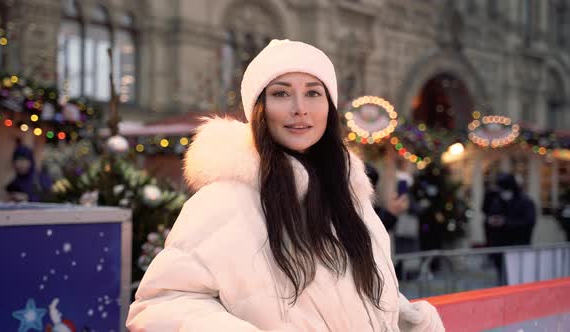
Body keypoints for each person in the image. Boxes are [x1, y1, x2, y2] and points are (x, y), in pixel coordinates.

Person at [127, 39, 444, 331]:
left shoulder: (350, 198)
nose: (300, 108)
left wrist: (399, 314)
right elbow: (160, 306)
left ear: (329, 107)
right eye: (281, 93)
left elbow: (342, 295)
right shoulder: (224, 199)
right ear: (260, 108)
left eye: (313, 93)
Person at [483, 172, 536, 284]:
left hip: (518, 247)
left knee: (518, 279)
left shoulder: (525, 202)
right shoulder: (497, 200)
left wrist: (506, 222)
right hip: (499, 247)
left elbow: (528, 222)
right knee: (503, 279)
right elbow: (488, 212)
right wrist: (493, 221)